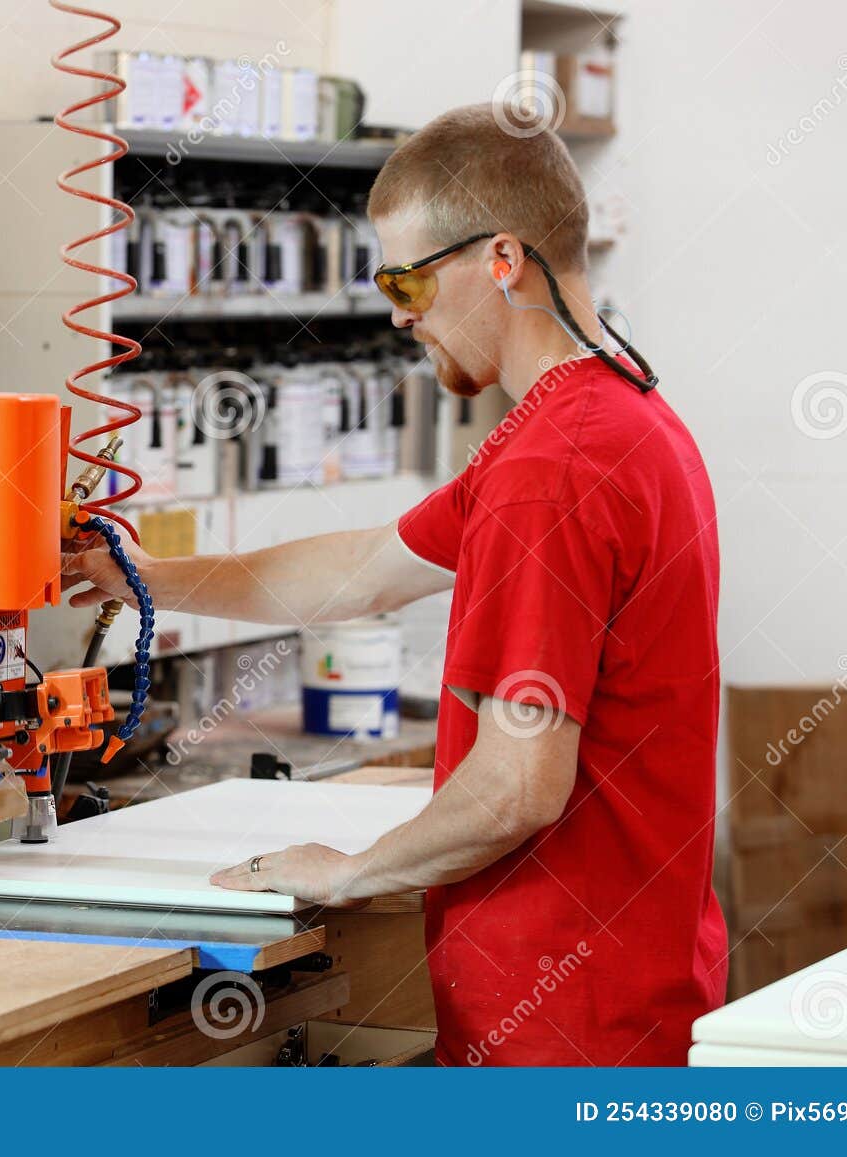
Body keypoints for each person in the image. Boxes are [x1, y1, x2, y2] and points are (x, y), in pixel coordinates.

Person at [62, 104, 726, 1066]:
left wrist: (351, 870)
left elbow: (516, 789)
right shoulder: (617, 415)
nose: (397, 311)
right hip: (628, 986)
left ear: (502, 259)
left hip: (565, 1027)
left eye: (408, 277)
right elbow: (361, 570)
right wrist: (145, 577)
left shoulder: (555, 466)